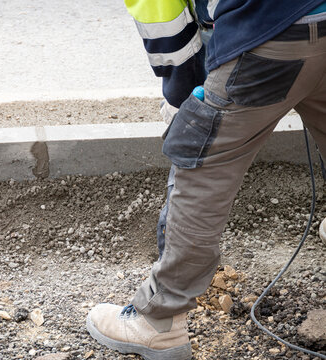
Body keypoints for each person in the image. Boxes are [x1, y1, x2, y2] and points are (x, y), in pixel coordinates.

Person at [86, 1, 326, 359]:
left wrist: (188, 103)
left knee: (205, 166)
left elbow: (163, 18)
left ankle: (158, 321)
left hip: (271, 29)